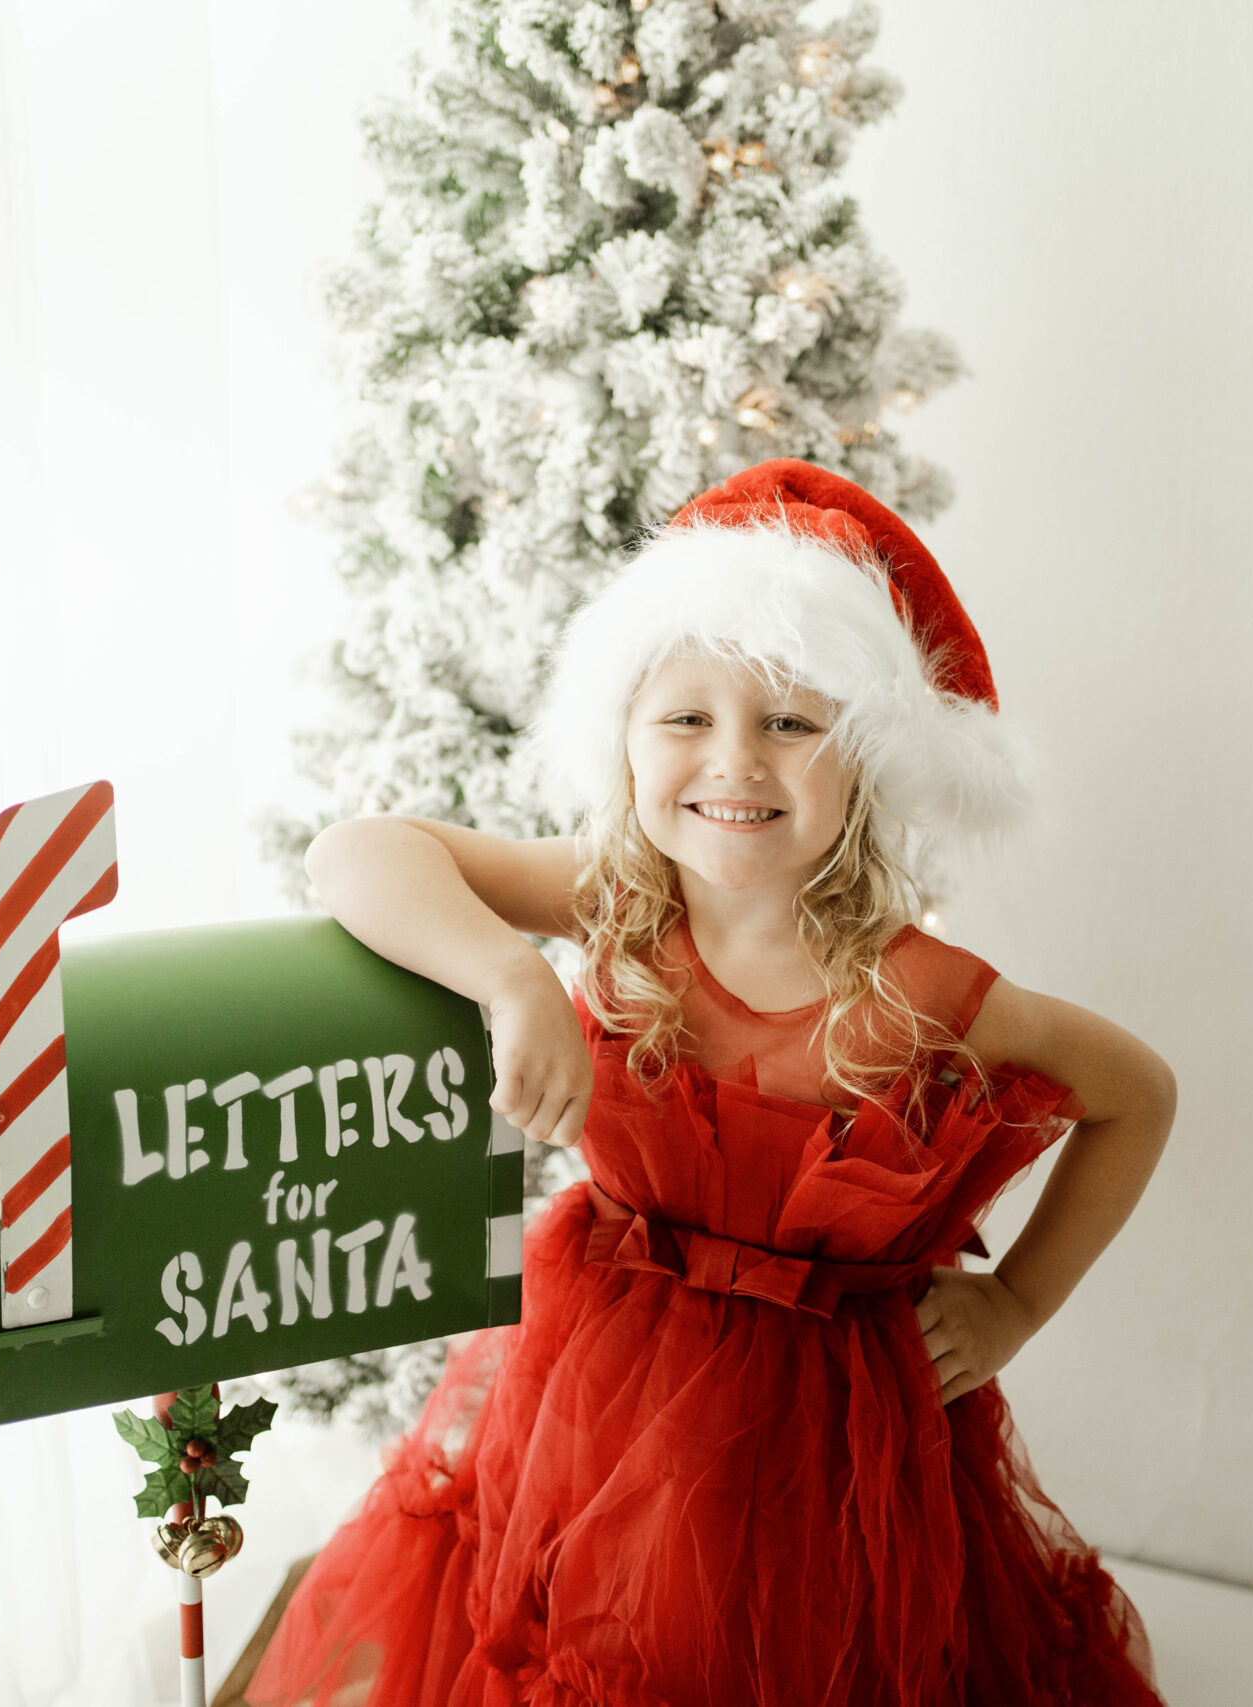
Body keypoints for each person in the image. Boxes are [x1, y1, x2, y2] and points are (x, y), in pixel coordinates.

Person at [247, 460, 1175, 1707]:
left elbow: (1136, 1092)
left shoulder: (924, 993)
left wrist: (1014, 1304)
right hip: (606, 1374)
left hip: (830, 1427)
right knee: (591, 1637)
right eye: (685, 719)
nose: (734, 761)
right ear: (625, 743)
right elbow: (357, 854)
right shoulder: (615, 902)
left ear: (865, 764)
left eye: (790, 723)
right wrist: (512, 982)